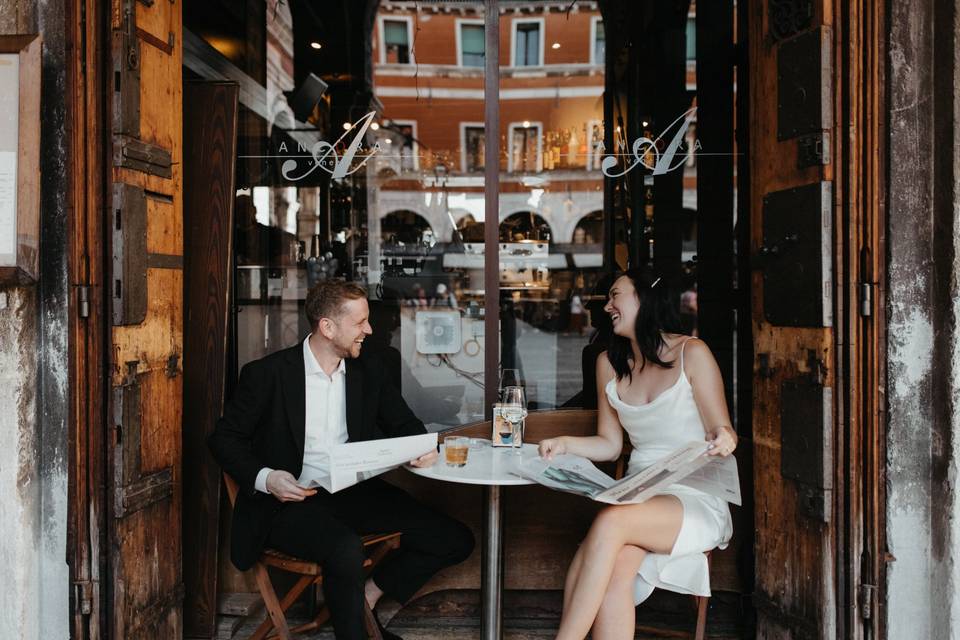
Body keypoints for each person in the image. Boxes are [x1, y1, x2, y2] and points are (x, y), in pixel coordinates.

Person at [209, 280, 474, 640]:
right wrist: (268, 478)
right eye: (360, 322)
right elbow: (224, 439)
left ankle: (366, 596)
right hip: (288, 502)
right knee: (345, 549)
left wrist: (419, 448)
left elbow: (404, 423)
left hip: (352, 492)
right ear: (327, 327)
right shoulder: (267, 374)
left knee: (453, 537)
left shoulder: (369, 370)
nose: (369, 329)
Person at [538, 268, 737, 640]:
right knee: (616, 571)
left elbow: (721, 429)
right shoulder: (607, 365)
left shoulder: (692, 353)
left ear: (644, 300)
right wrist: (565, 443)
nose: (608, 306)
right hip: (640, 492)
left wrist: (724, 439)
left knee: (611, 522)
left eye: (616, 296)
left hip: (693, 497)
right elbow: (610, 444)